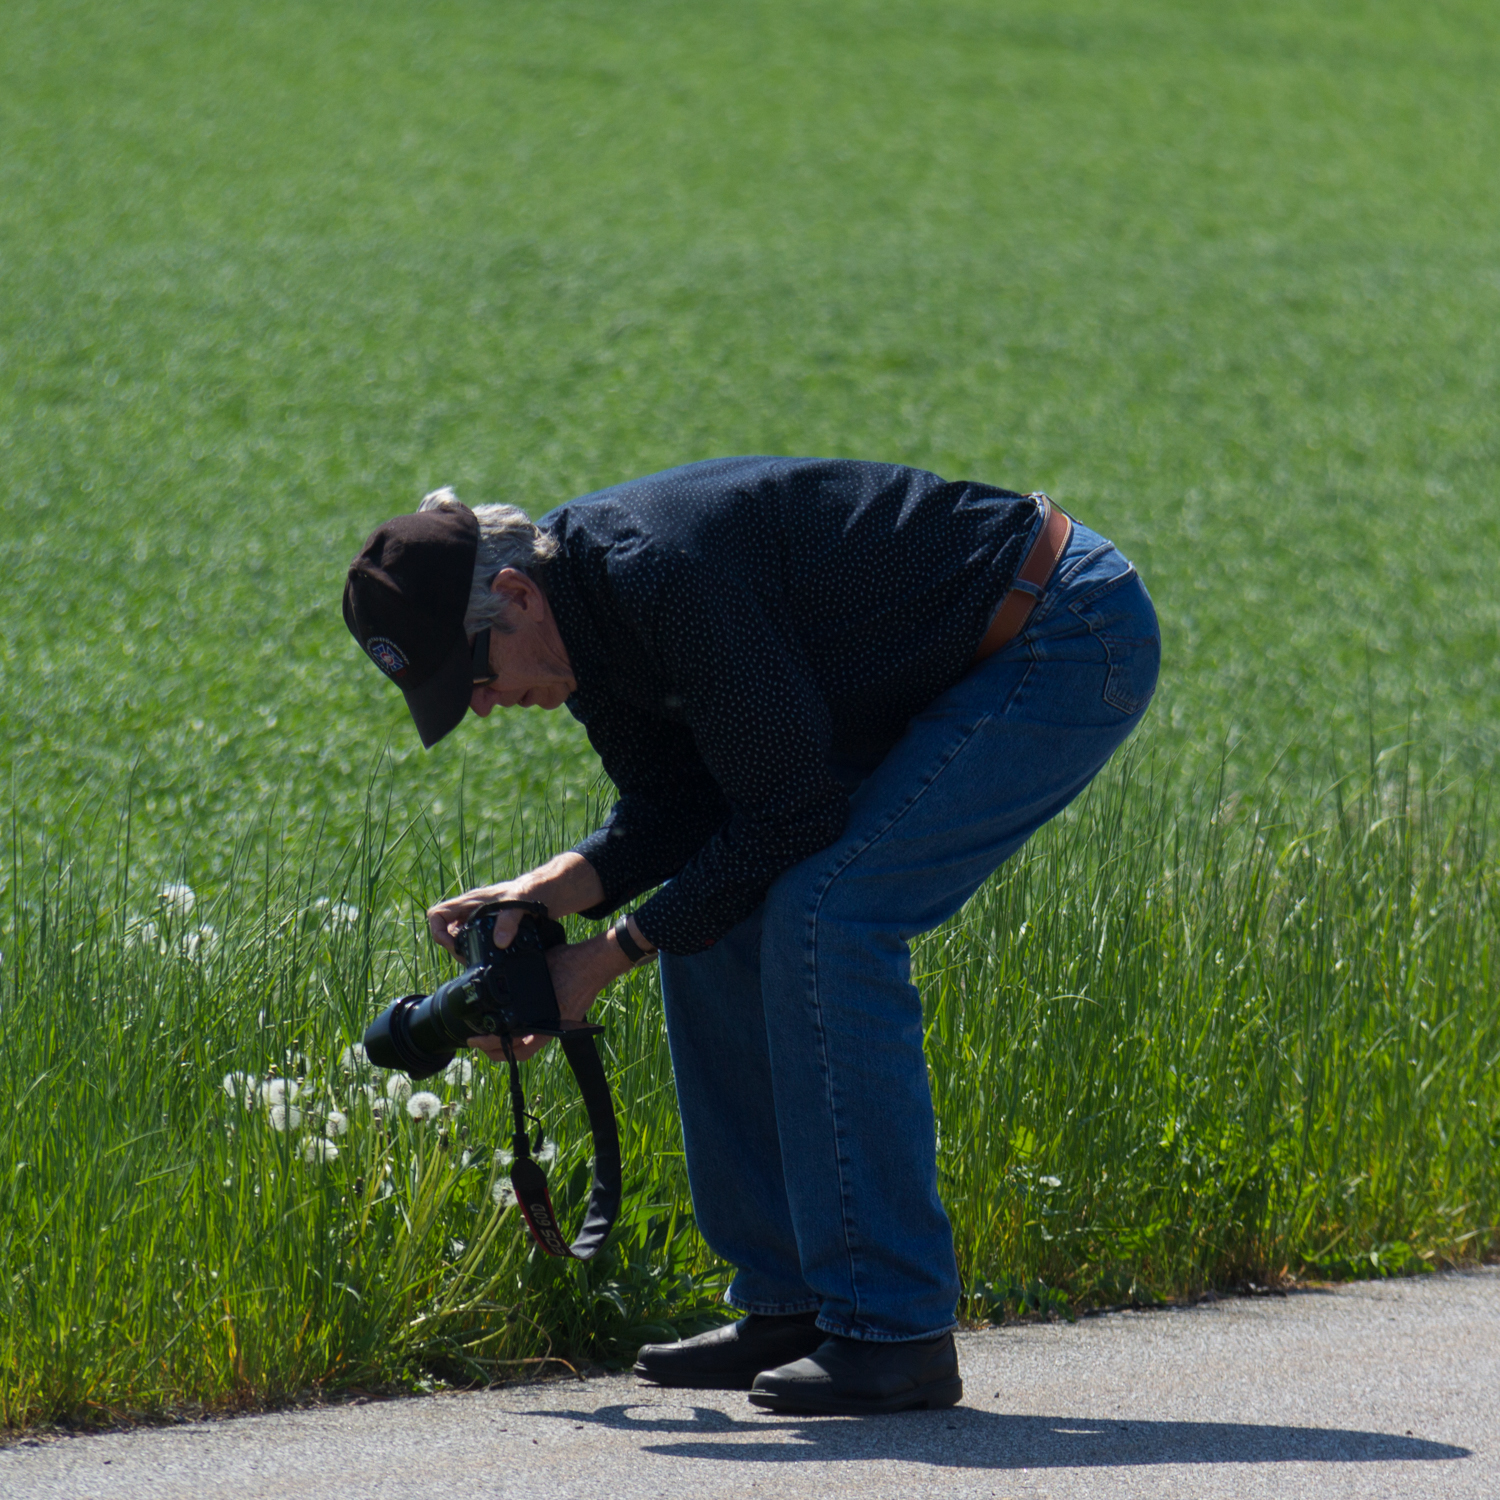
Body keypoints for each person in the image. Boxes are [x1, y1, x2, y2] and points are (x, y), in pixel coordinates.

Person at [342, 456, 1159, 1415]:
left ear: (516, 594)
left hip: (1059, 632)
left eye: (472, 675)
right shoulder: (583, 616)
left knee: (830, 915)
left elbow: (790, 817)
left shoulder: (658, 577)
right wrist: (550, 891)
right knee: (717, 917)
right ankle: (791, 1307)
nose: (479, 706)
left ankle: (896, 1331)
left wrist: (603, 960)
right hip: (936, 667)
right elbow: (680, 806)